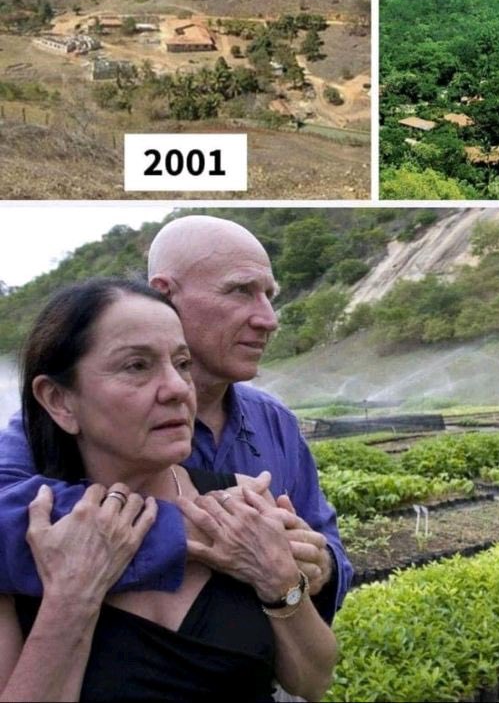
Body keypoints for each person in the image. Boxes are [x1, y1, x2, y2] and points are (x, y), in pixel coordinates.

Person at [0, 215, 352, 625]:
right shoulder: (64, 419)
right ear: (164, 296)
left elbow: (328, 545)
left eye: (269, 295)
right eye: (240, 291)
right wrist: (198, 530)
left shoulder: (276, 423)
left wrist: (319, 564)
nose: (268, 318)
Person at [0, 278, 336, 701]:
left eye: (181, 364)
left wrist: (282, 582)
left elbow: (313, 680)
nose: (178, 389)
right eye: (136, 366)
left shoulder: (243, 504)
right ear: (59, 401)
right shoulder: (27, 543)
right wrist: (72, 600)